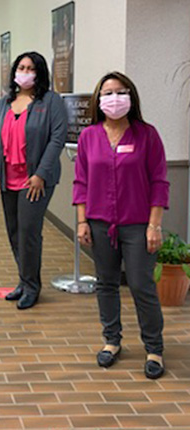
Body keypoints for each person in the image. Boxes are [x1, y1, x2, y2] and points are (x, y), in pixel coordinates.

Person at [73, 72, 169, 379]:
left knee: (141, 285)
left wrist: (154, 225)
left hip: (138, 225)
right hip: (100, 223)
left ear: (131, 97)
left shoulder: (147, 135)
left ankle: (154, 348)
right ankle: (111, 341)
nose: (114, 98)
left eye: (120, 92)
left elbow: (159, 182)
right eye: (107, 92)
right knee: (106, 283)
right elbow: (81, 182)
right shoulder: (89, 137)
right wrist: (81, 221)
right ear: (98, 100)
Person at [0, 51, 67, 310]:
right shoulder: (4, 103)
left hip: (35, 180)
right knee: (14, 231)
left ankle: (32, 286)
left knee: (29, 232)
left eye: (30, 68)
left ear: (39, 73)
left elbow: (57, 139)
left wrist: (40, 174)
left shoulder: (50, 101)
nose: (24, 72)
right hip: (8, 176)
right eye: (20, 67)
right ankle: (24, 280)